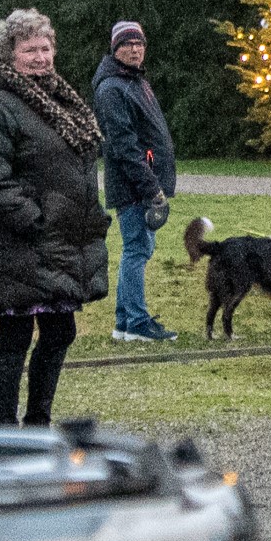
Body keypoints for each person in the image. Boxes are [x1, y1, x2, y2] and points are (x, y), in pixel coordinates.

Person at [0, 9, 110, 425]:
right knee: (14, 337)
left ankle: (38, 422)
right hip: (19, 242)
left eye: (46, 48)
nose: (41, 57)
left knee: (60, 331)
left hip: (60, 243)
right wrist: (36, 220)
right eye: (30, 49)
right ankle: (5, 429)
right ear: (8, 55)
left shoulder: (59, 98)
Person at [92, 20, 178, 342]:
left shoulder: (133, 81)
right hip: (133, 184)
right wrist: (150, 186)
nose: (134, 49)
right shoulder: (112, 87)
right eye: (127, 44)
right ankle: (137, 323)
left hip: (141, 181)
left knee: (138, 248)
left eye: (139, 44)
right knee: (137, 249)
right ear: (115, 49)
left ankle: (124, 323)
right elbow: (123, 145)